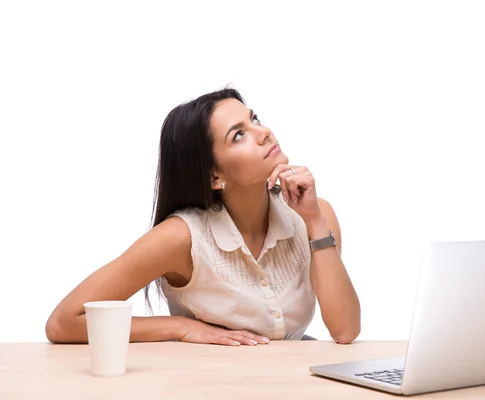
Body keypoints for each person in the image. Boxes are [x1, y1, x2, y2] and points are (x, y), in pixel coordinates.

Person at [45, 88, 361, 346]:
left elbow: (345, 331)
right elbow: (64, 323)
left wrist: (316, 222)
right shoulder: (182, 237)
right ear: (214, 176)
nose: (263, 132)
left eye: (255, 120)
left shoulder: (315, 216)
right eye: (239, 135)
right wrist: (179, 327)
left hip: (286, 385)